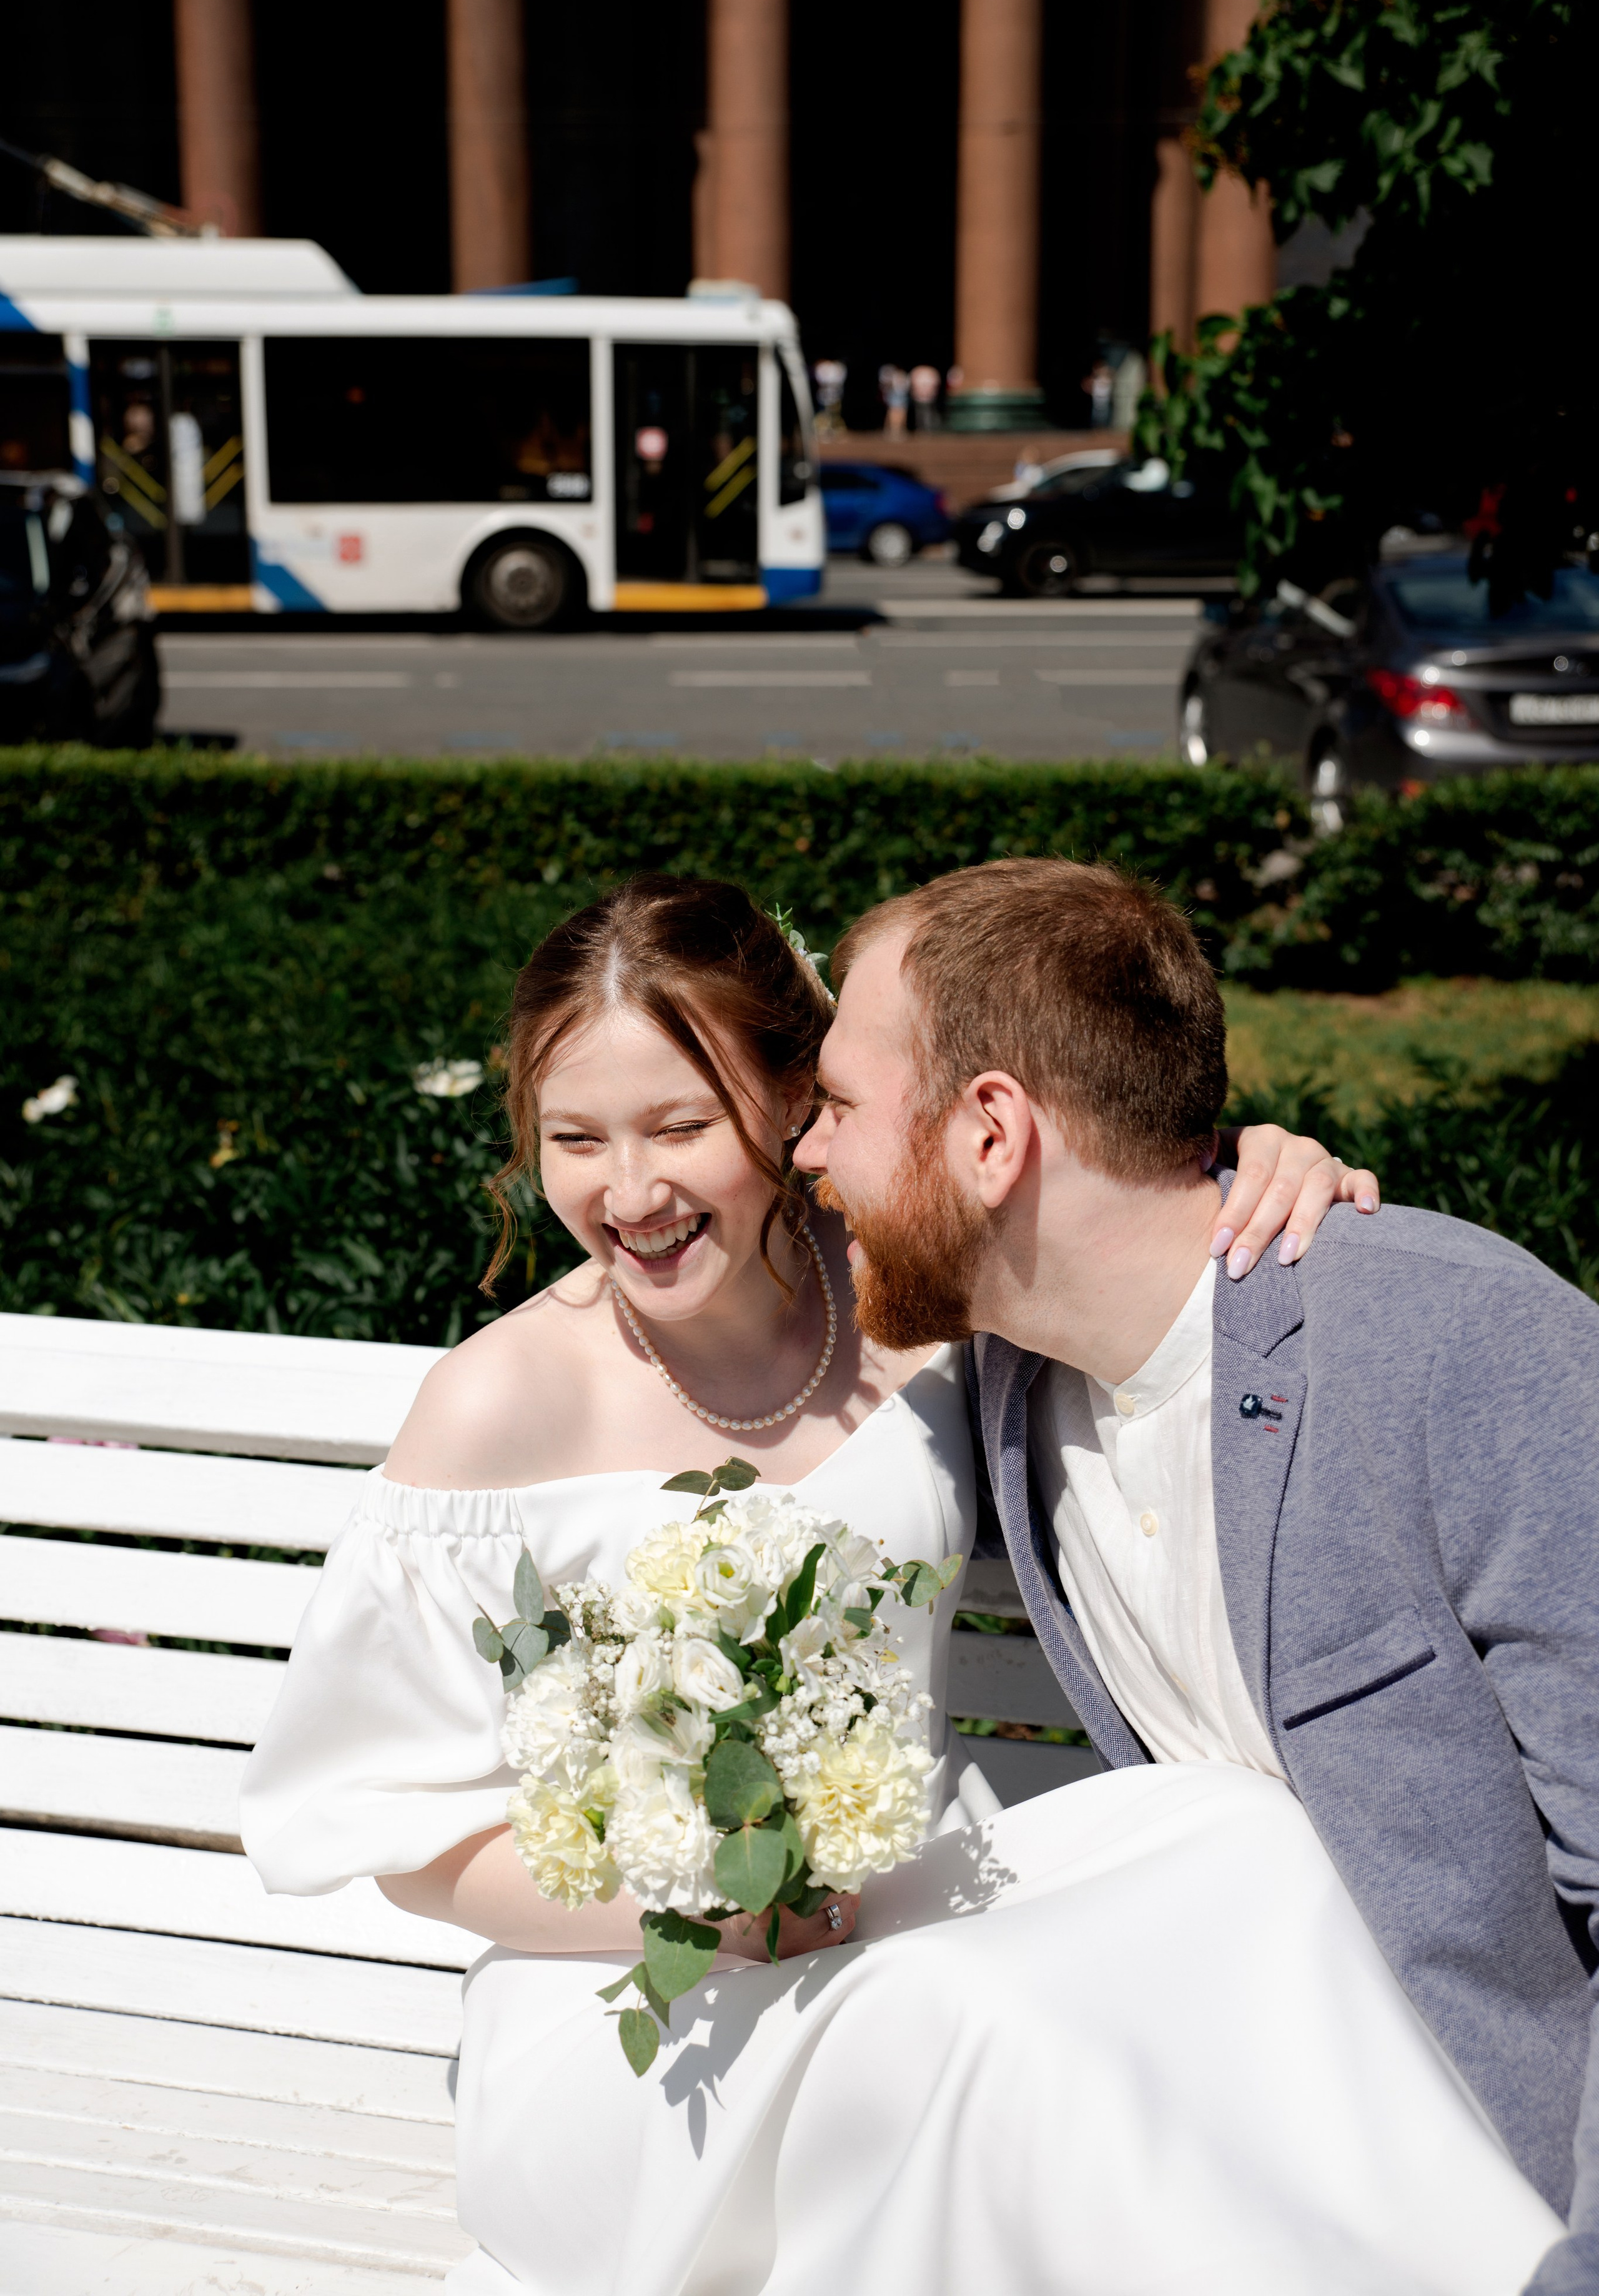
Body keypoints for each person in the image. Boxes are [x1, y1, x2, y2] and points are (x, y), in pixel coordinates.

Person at [239, 878, 1501, 2296]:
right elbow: (399, 1838)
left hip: (918, 1893)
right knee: (962, 2023)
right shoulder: (497, 1407)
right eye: (575, 1140)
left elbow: (1103, 1222)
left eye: (680, 1128)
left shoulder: (908, 1302)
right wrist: (706, 1901)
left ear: (796, 1100)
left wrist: (1248, 1165)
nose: (629, 1194)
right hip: (637, 2015)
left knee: (1243, 1841)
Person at [798, 854, 1598, 2296]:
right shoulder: (1004, 1383)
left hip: (1482, 2191)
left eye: (839, 1106)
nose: (807, 1151)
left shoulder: (1457, 1351)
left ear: (991, 1133)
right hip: (1194, 2143)